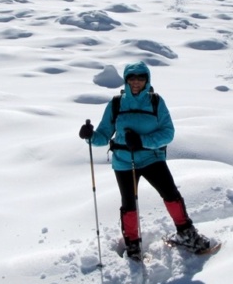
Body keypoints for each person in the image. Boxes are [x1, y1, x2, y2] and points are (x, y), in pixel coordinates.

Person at [78, 61, 212, 261]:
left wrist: (142, 141)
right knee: (129, 204)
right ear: (126, 80)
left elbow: (168, 133)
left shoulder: (156, 102)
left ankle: (186, 234)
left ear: (147, 80)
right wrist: (90, 136)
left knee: (171, 194)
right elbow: (104, 135)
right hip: (123, 161)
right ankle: (132, 245)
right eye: (132, 78)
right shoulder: (116, 104)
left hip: (152, 158)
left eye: (141, 77)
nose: (136, 82)